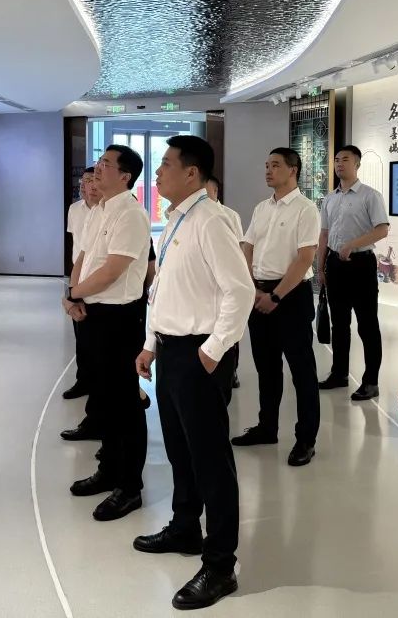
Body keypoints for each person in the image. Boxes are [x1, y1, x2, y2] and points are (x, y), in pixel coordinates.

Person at [134, 136, 254, 611]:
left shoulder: (211, 221)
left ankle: (220, 565)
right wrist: (151, 343)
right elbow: (162, 289)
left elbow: (239, 291)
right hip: (172, 350)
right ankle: (185, 527)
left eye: (165, 164)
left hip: (199, 354)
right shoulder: (176, 221)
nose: (157, 173)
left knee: (211, 462)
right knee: (180, 452)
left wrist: (212, 351)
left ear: (192, 173)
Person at [63, 145, 150, 522]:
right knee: (103, 397)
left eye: (106, 165)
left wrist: (75, 294)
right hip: (93, 312)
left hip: (119, 318)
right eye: (98, 163)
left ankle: (130, 487)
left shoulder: (131, 214)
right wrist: (72, 293)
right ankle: (109, 469)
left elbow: (113, 271)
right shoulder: (99, 210)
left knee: (125, 403)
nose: (97, 169)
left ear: (125, 176)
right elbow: (82, 258)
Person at [231, 149, 321, 467]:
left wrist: (277, 296)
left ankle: (305, 439)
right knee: (266, 368)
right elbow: (247, 247)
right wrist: (254, 289)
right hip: (259, 293)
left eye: (276, 165)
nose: (268, 170)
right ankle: (267, 427)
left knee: (302, 371)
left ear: (293, 170)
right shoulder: (261, 208)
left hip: (291, 296)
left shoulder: (305, 209)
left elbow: (305, 258)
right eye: (266, 165)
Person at [317, 145, 389, 401]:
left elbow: (382, 229)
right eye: (336, 159)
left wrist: (352, 244)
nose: (339, 164)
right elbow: (324, 234)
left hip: (361, 265)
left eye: (345, 159)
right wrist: (320, 267)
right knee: (339, 324)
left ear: (357, 164)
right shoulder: (330, 198)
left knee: (367, 325)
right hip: (335, 265)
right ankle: (339, 373)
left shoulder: (370, 196)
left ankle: (371, 381)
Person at [63, 167, 99, 400]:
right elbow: (75, 246)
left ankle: (99, 384)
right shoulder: (75, 209)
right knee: (80, 334)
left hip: (98, 279)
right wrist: (72, 286)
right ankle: (83, 380)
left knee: (96, 336)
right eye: (84, 181)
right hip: (78, 275)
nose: (86, 185)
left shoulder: (105, 211)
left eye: (92, 180)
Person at [206, 175, 244, 389]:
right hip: (205, 287)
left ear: (215, 191)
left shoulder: (229, 215)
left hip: (225, 282)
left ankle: (232, 370)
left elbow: (239, 248)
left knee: (229, 328)